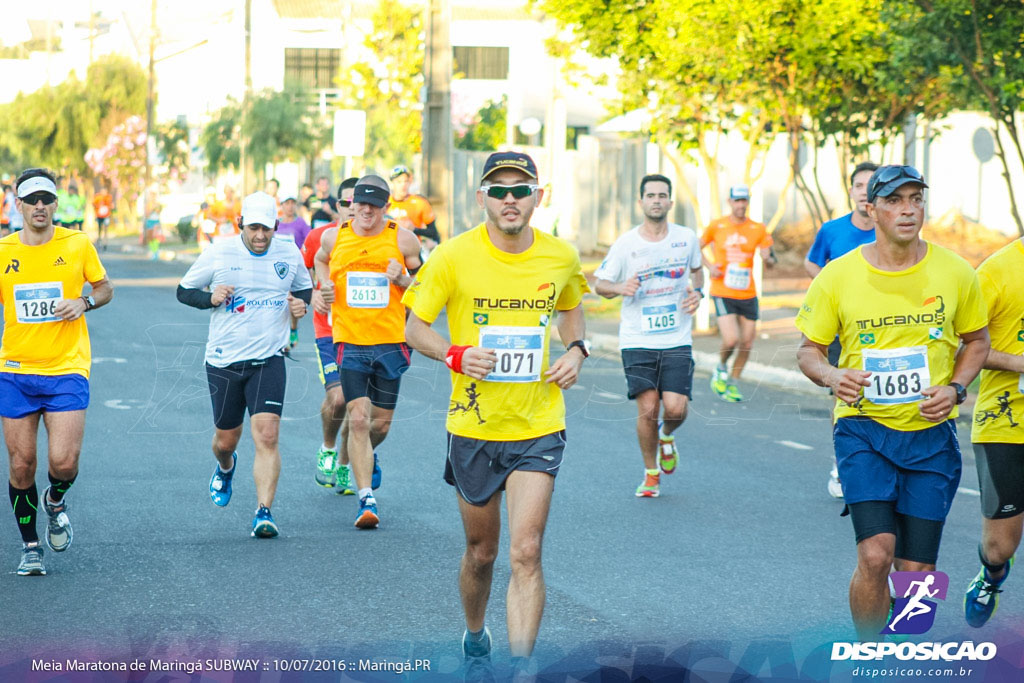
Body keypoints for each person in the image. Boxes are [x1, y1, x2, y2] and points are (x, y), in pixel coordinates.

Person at [403, 151, 589, 670]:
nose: (511, 199)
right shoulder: (454, 256)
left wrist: (576, 351)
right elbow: (414, 328)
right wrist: (456, 353)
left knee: (526, 552)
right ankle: (475, 629)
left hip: (539, 424)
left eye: (521, 189)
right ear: (482, 197)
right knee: (481, 553)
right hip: (474, 424)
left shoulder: (560, 257)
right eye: (499, 190)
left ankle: (521, 667)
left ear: (537, 196)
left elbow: (572, 310)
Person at [794, 164, 989, 640]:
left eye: (915, 199)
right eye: (895, 200)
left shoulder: (955, 272)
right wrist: (832, 375)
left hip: (930, 438)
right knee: (876, 554)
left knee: (916, 569)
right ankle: (868, 652)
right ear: (871, 209)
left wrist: (957, 389)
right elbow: (808, 351)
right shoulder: (839, 276)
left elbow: (977, 342)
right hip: (863, 428)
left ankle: (903, 651)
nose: (908, 209)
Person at [176, 191, 312, 538]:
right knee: (226, 439)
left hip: (268, 358)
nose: (260, 236)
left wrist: (299, 306)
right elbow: (184, 290)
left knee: (267, 435)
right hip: (224, 360)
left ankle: (264, 511)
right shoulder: (220, 251)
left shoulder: (288, 251)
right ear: (241, 225)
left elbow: (304, 290)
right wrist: (210, 298)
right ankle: (225, 467)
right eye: (253, 228)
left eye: (267, 229)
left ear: (276, 227)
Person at [2, 168, 113, 576]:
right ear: (18, 206)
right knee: (20, 464)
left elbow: (104, 288)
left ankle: (55, 500)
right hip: (15, 370)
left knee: (64, 463)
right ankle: (31, 546)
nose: (39, 206)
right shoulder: (4, 252)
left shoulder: (78, 243)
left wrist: (84, 303)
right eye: (31, 200)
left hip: (67, 367)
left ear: (55, 204)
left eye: (46, 199)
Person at [313, 175, 422, 529]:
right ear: (351, 204)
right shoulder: (334, 236)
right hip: (349, 339)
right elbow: (320, 259)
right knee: (357, 417)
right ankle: (365, 500)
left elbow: (428, 287)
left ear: (385, 208)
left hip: (390, 340)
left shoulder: (402, 239)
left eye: (374, 205)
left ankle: (368, 455)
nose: (365, 210)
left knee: (380, 424)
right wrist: (324, 286)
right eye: (360, 203)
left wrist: (404, 280)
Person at [594, 174, 703, 498]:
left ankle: (667, 435)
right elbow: (600, 283)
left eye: (662, 195)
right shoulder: (627, 243)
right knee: (648, 408)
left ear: (670, 202)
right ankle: (651, 472)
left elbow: (697, 271)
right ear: (640, 202)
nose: (656, 200)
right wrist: (619, 287)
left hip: (677, 337)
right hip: (637, 338)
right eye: (651, 195)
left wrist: (698, 293)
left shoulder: (686, 238)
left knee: (675, 408)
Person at [804, 161, 879, 499]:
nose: (865, 192)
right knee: (844, 393)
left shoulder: (890, 231)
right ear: (851, 191)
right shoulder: (832, 231)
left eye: (872, 185)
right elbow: (812, 261)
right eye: (860, 185)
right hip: (842, 329)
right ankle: (842, 461)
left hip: (885, 326)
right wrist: (827, 291)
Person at [963, 234, 1024, 627]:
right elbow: (961, 344)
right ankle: (990, 577)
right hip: (1004, 423)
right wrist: (1019, 363)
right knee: (1000, 546)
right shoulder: (997, 271)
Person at [303, 177, 359, 494]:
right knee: (338, 398)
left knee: (359, 405)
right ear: (338, 206)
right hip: (329, 328)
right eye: (347, 203)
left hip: (367, 331)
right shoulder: (318, 238)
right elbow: (299, 276)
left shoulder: (384, 239)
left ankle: (346, 465)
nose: (354, 209)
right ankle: (327, 446)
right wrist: (310, 294)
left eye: (361, 203)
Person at [701, 184, 776, 402]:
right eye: (737, 201)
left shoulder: (758, 228)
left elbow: (770, 260)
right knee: (732, 339)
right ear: (730, 202)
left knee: (747, 343)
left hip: (748, 292)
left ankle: (732, 382)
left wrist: (767, 259)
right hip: (723, 290)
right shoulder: (718, 226)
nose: (741, 205)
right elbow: (697, 247)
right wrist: (710, 266)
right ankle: (721, 367)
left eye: (744, 201)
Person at [276, 195, 311, 349]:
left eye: (292, 203)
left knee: (291, 301)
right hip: (275, 268)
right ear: (282, 205)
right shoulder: (276, 224)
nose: (290, 206)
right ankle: (279, 335)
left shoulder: (301, 224)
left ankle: (293, 328)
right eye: (287, 203)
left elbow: (308, 244)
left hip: (293, 268)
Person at [388, 164, 441, 252]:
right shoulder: (385, 203)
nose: (403, 185)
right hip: (389, 249)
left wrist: (414, 229)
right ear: (392, 183)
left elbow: (433, 233)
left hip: (413, 250)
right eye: (399, 182)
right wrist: (396, 225)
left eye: (406, 181)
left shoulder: (420, 202)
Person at [92, 183, 114, 250]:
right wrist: (98, 206)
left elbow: (112, 205)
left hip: (106, 216)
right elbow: (93, 204)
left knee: (105, 229)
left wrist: (110, 207)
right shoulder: (98, 197)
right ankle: (99, 240)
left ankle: (105, 242)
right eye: (103, 191)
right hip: (99, 215)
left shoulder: (109, 197)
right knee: (99, 229)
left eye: (105, 191)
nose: (104, 192)